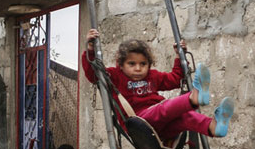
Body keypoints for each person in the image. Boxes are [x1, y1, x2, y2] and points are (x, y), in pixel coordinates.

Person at [81, 29, 235, 142]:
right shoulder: (115, 76)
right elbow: (93, 74)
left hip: (163, 130)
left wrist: (178, 56)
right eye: (131, 64)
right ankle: (193, 98)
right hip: (138, 123)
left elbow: (175, 79)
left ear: (149, 64)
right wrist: (90, 50)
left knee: (185, 117)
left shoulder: (152, 76)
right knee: (163, 107)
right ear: (120, 65)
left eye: (143, 64)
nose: (138, 68)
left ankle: (213, 127)